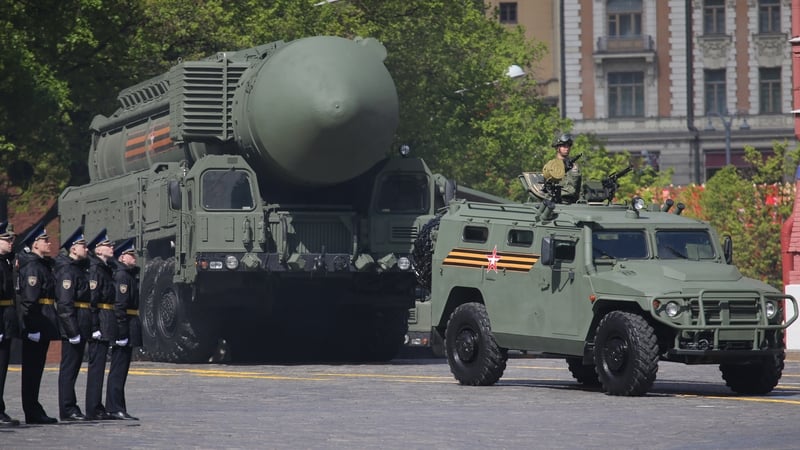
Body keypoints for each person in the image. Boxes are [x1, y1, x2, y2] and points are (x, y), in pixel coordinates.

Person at [16, 222, 59, 424]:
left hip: (43, 322)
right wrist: (32, 328)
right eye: (44, 240)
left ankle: (34, 408)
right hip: (36, 323)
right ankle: (32, 411)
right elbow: (29, 302)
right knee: (32, 371)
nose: (49, 243)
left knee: (37, 370)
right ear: (34, 245)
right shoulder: (33, 267)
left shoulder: (41, 264)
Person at [54, 225, 91, 421]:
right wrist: (72, 331)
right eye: (82, 245)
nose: (86, 248)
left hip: (80, 324)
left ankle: (70, 407)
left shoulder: (78, 269)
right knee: (69, 369)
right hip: (73, 326)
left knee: (74, 368)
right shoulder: (67, 271)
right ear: (73, 248)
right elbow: (65, 303)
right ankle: (67, 408)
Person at [106, 238, 140, 421]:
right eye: (131, 255)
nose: (134, 258)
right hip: (124, 326)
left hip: (129, 323)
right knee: (118, 370)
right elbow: (120, 306)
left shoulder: (127, 274)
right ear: (122, 257)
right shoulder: (122, 276)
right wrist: (121, 332)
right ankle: (114, 407)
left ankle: (118, 406)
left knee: (122, 370)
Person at [85, 228, 114, 420]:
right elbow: (92, 301)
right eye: (107, 245)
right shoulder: (95, 269)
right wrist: (94, 327)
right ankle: (93, 407)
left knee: (100, 366)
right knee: (96, 367)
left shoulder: (105, 268)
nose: (112, 247)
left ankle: (97, 406)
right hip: (99, 322)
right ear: (98, 250)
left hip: (105, 320)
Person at [0, 221, 20, 426]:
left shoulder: (6, 262)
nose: (11, 242)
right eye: (7, 239)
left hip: (6, 320)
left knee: (3, 369)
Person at [542, 133, 582, 203]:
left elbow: (579, 186)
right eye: (564, 146)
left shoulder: (574, 166)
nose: (567, 148)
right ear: (557, 148)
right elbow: (548, 187)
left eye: (568, 146)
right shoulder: (551, 165)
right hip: (558, 202)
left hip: (573, 203)